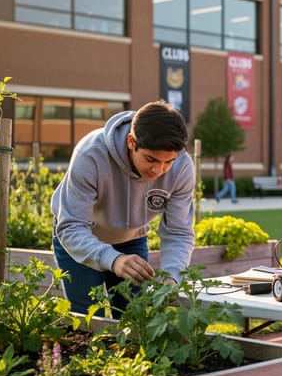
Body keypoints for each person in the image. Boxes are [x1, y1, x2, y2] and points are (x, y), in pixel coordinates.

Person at [51, 100, 195, 316]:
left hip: (131, 241)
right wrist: (113, 259)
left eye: (168, 162)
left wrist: (172, 276)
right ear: (131, 141)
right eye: (150, 159)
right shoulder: (91, 154)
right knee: (86, 322)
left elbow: (178, 232)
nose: (159, 170)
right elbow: (71, 226)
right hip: (80, 239)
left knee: (133, 319)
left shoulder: (182, 168)